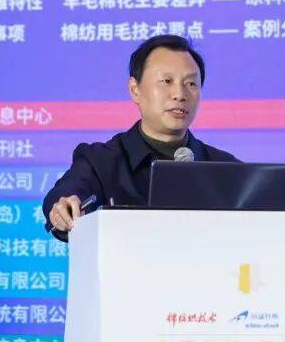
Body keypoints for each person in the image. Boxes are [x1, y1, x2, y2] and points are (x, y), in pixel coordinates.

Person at [43, 34, 238, 240]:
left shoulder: (226, 168)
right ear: (135, 90)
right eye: (166, 81)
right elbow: (66, 196)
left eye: (191, 84)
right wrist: (64, 209)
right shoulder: (100, 162)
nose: (179, 94)